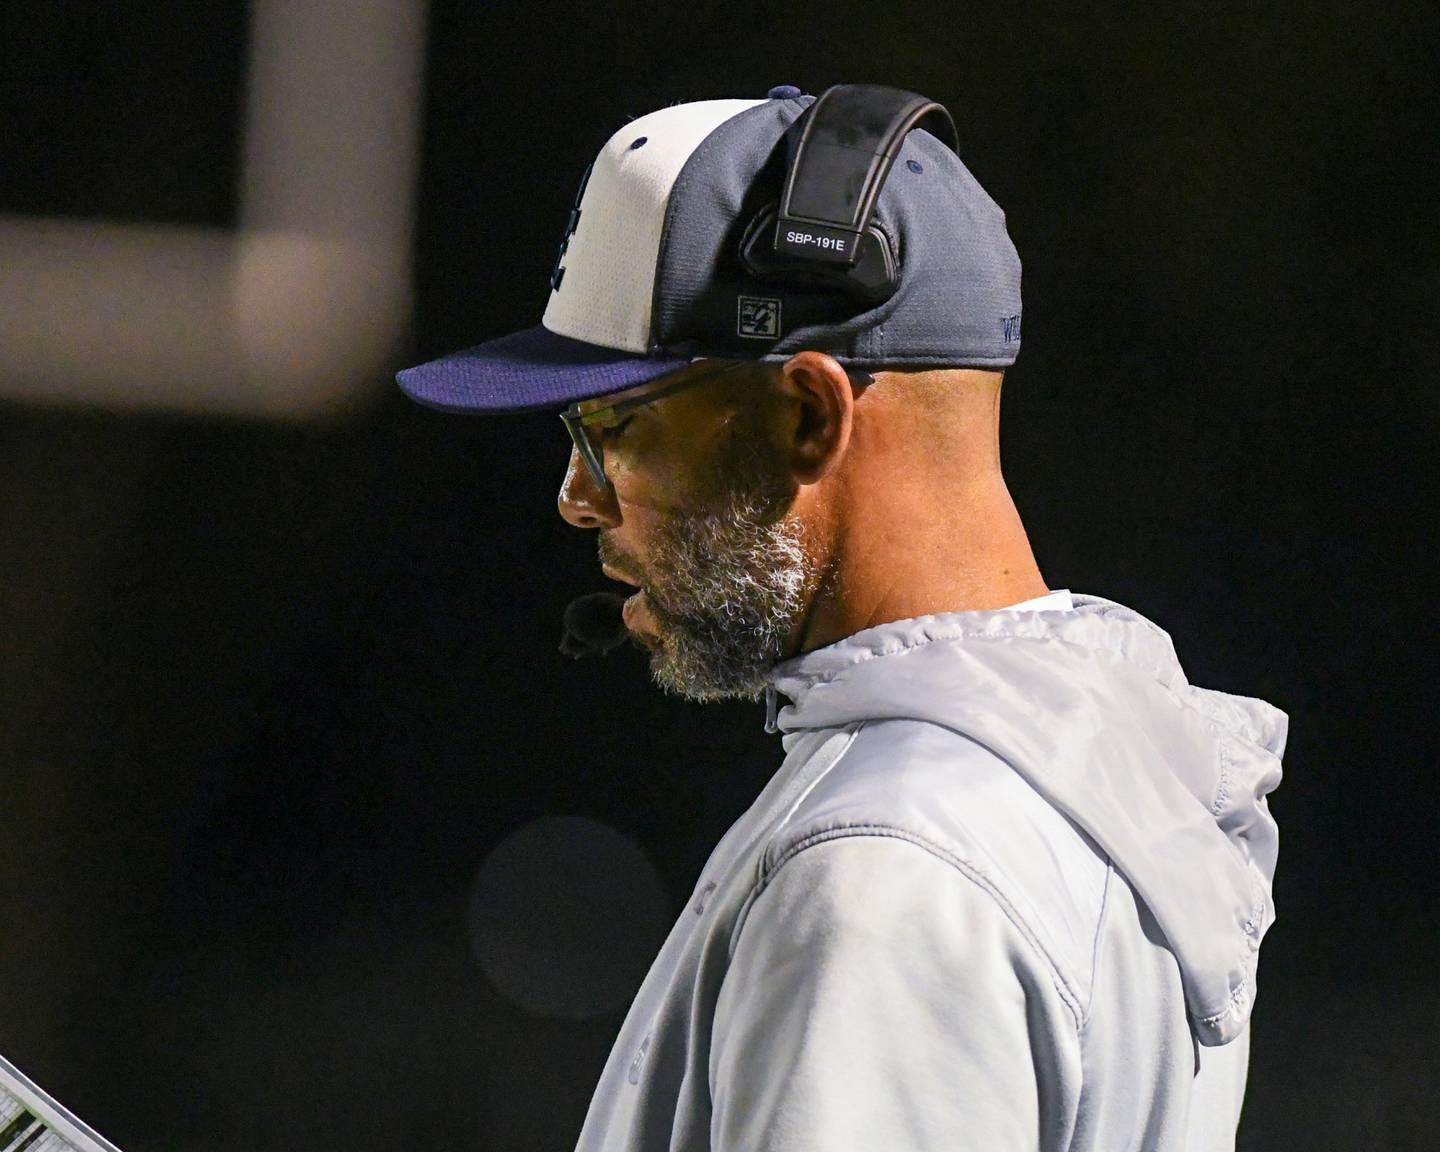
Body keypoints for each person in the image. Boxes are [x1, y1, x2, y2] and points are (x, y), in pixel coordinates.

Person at [397, 84, 1288, 1152]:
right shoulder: (1081, 770)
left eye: (614, 430)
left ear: (811, 414)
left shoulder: (890, 863)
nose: (576, 498)